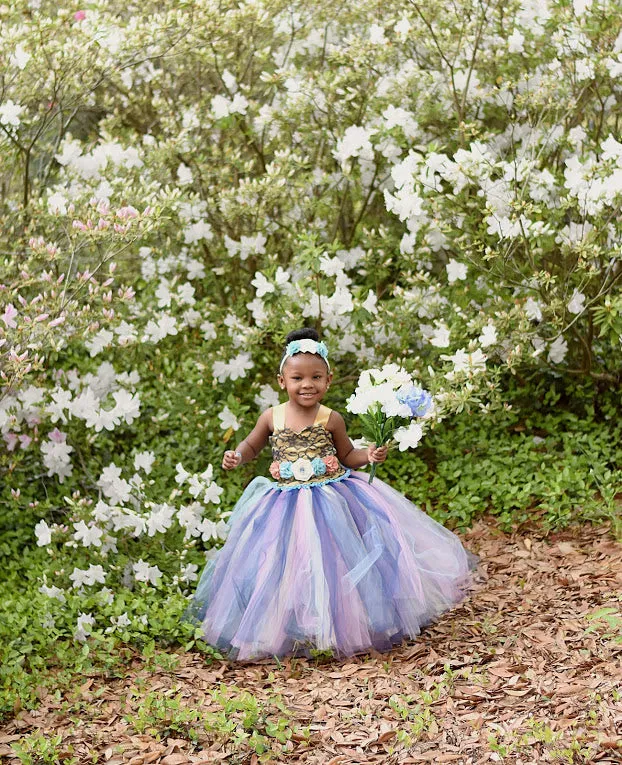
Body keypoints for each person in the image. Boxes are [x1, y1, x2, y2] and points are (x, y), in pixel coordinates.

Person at [188, 328, 476, 660]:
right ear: (282, 381)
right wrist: (238, 455)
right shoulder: (271, 416)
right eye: (297, 377)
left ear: (328, 380)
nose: (306, 384)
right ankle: (283, 627)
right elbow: (252, 445)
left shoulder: (331, 419)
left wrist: (367, 456)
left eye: (316, 377)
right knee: (282, 562)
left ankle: (346, 625)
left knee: (336, 561)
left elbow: (346, 455)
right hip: (284, 502)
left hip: (331, 499)